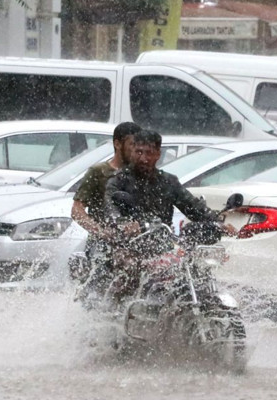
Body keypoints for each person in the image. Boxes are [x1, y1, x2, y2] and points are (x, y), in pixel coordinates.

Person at [102, 129, 236, 301]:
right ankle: (122, 314)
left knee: (196, 267)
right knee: (131, 269)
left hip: (163, 243)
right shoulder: (119, 181)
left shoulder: (168, 182)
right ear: (132, 152)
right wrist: (124, 224)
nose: (143, 158)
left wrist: (218, 223)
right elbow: (111, 208)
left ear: (158, 154)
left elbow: (193, 206)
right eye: (139, 152)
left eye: (149, 153)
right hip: (130, 245)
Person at [70, 121, 140, 299]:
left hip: (134, 241)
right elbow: (77, 211)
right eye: (132, 144)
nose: (136, 150)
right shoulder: (99, 172)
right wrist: (101, 231)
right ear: (118, 144)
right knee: (100, 285)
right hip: (103, 243)